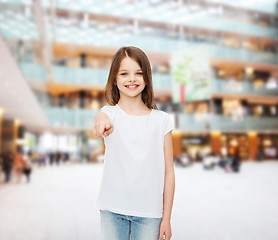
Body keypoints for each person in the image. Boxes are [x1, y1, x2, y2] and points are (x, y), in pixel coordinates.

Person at [93, 46, 175, 240]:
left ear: (147, 77)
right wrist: (101, 121)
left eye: (139, 73)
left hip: (150, 214)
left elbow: (169, 171)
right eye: (124, 73)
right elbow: (100, 117)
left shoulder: (161, 120)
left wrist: (167, 218)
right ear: (114, 78)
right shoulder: (109, 114)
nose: (132, 79)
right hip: (112, 209)